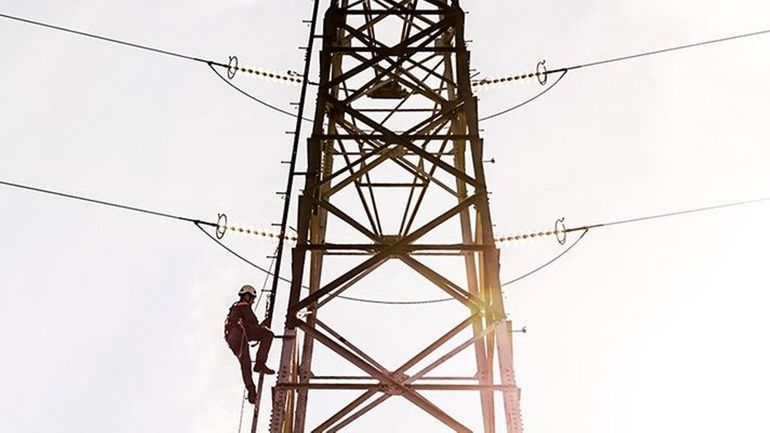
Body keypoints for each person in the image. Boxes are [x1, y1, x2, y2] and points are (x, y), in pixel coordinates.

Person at [224, 285, 276, 404]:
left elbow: (251, 326)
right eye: (252, 298)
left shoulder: (235, 308)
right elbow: (253, 322)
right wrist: (263, 326)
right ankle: (260, 363)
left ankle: (251, 391)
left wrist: (260, 327)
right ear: (247, 296)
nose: (252, 301)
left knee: (245, 364)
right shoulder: (243, 306)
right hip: (241, 333)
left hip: (233, 338)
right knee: (268, 335)